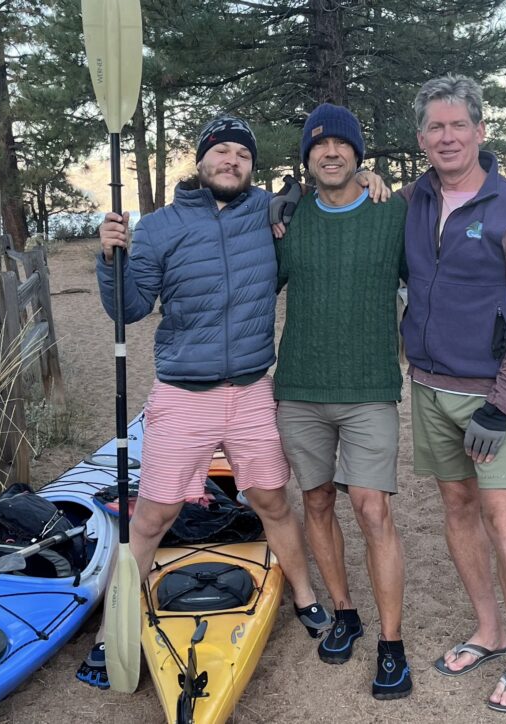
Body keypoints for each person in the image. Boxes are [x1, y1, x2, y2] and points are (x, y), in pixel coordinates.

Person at [78, 115, 385, 689]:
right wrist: (110, 259)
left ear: (251, 166)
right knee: (153, 515)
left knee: (271, 497)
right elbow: (129, 308)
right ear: (200, 163)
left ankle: (304, 595)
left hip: (251, 390)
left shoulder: (272, 214)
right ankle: (110, 634)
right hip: (182, 393)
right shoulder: (162, 227)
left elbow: (325, 195)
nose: (230, 161)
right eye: (219, 152)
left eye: (241, 154)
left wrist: (368, 176)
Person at [399, 75, 506, 713]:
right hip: (429, 389)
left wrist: (500, 404)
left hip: (491, 398)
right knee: (457, 510)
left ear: (480, 131)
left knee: (503, 520)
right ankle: (488, 631)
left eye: (457, 125)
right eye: (434, 128)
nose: (446, 137)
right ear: (421, 139)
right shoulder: (412, 201)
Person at [274, 103, 411, 700]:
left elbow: (438, 274)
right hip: (300, 388)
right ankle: (344, 612)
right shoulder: (288, 218)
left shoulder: (393, 214)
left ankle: (391, 644)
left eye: (342, 144)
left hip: (369, 388)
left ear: (359, 155)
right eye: (318, 145)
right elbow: (245, 272)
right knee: (317, 500)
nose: (330, 152)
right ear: (306, 158)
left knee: (372, 509)